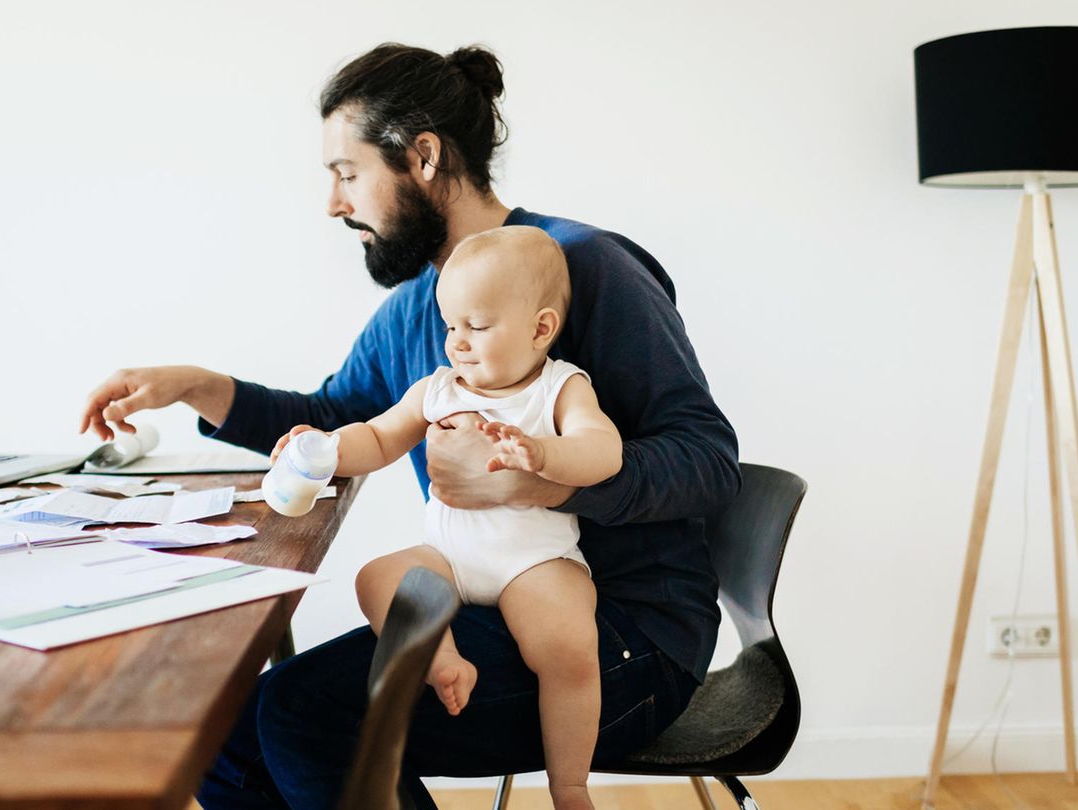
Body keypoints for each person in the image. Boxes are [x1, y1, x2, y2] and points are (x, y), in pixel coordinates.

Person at [78, 42, 740, 809]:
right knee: (229, 730)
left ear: (422, 156)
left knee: (304, 714)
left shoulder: (587, 269)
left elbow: (707, 462)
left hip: (620, 641)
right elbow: (332, 421)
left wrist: (537, 484)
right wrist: (196, 387)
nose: (333, 203)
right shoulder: (414, 315)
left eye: (347, 172)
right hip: (477, 602)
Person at [271, 225, 621, 809]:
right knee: (378, 577)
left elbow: (603, 449)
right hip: (449, 558)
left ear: (541, 328)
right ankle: (441, 659)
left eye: (477, 326)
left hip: (532, 561)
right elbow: (379, 438)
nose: (457, 342)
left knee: (567, 647)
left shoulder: (558, 387)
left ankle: (570, 783)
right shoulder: (438, 389)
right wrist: (329, 446)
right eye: (450, 325)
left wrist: (544, 456)